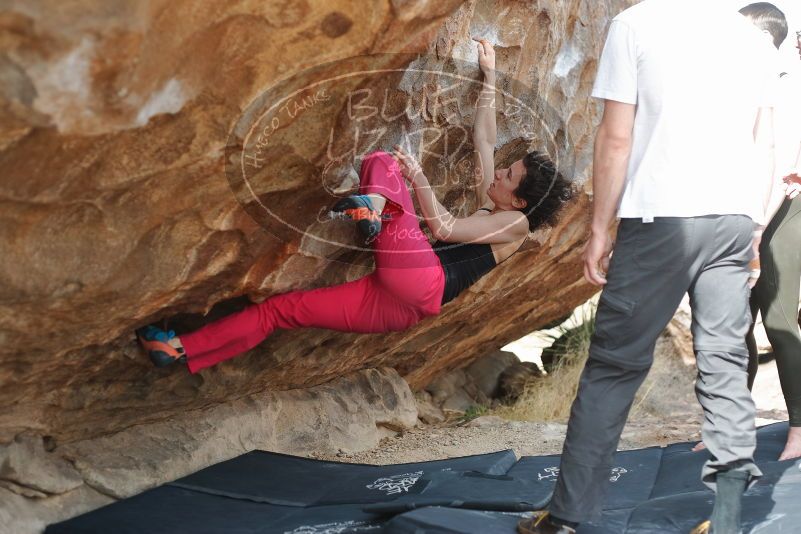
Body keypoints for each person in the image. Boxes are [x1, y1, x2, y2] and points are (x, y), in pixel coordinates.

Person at [136, 39, 573, 374]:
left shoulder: (513, 225)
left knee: (384, 161)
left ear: (519, 201)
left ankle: (374, 208)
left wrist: (417, 176)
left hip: (421, 281)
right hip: (402, 305)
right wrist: (491, 76)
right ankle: (176, 349)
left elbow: (441, 228)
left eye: (507, 176)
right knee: (279, 311)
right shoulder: (495, 206)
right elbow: (485, 138)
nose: (498, 173)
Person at [516, 2, 780, 534]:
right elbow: (764, 141)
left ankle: (566, 518)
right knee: (725, 368)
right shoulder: (751, 37)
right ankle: (726, 521)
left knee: (614, 368)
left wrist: (598, 229)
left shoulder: (636, 24)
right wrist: (755, 223)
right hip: (732, 217)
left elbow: (617, 137)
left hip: (661, 217)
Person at [737, 3, 801, 463]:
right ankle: (730, 425)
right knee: (732, 323)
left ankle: (798, 428)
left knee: (778, 321)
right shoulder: (740, 89)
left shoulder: (787, 90)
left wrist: (757, 235)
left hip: (780, 213)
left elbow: (782, 171)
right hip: (740, 213)